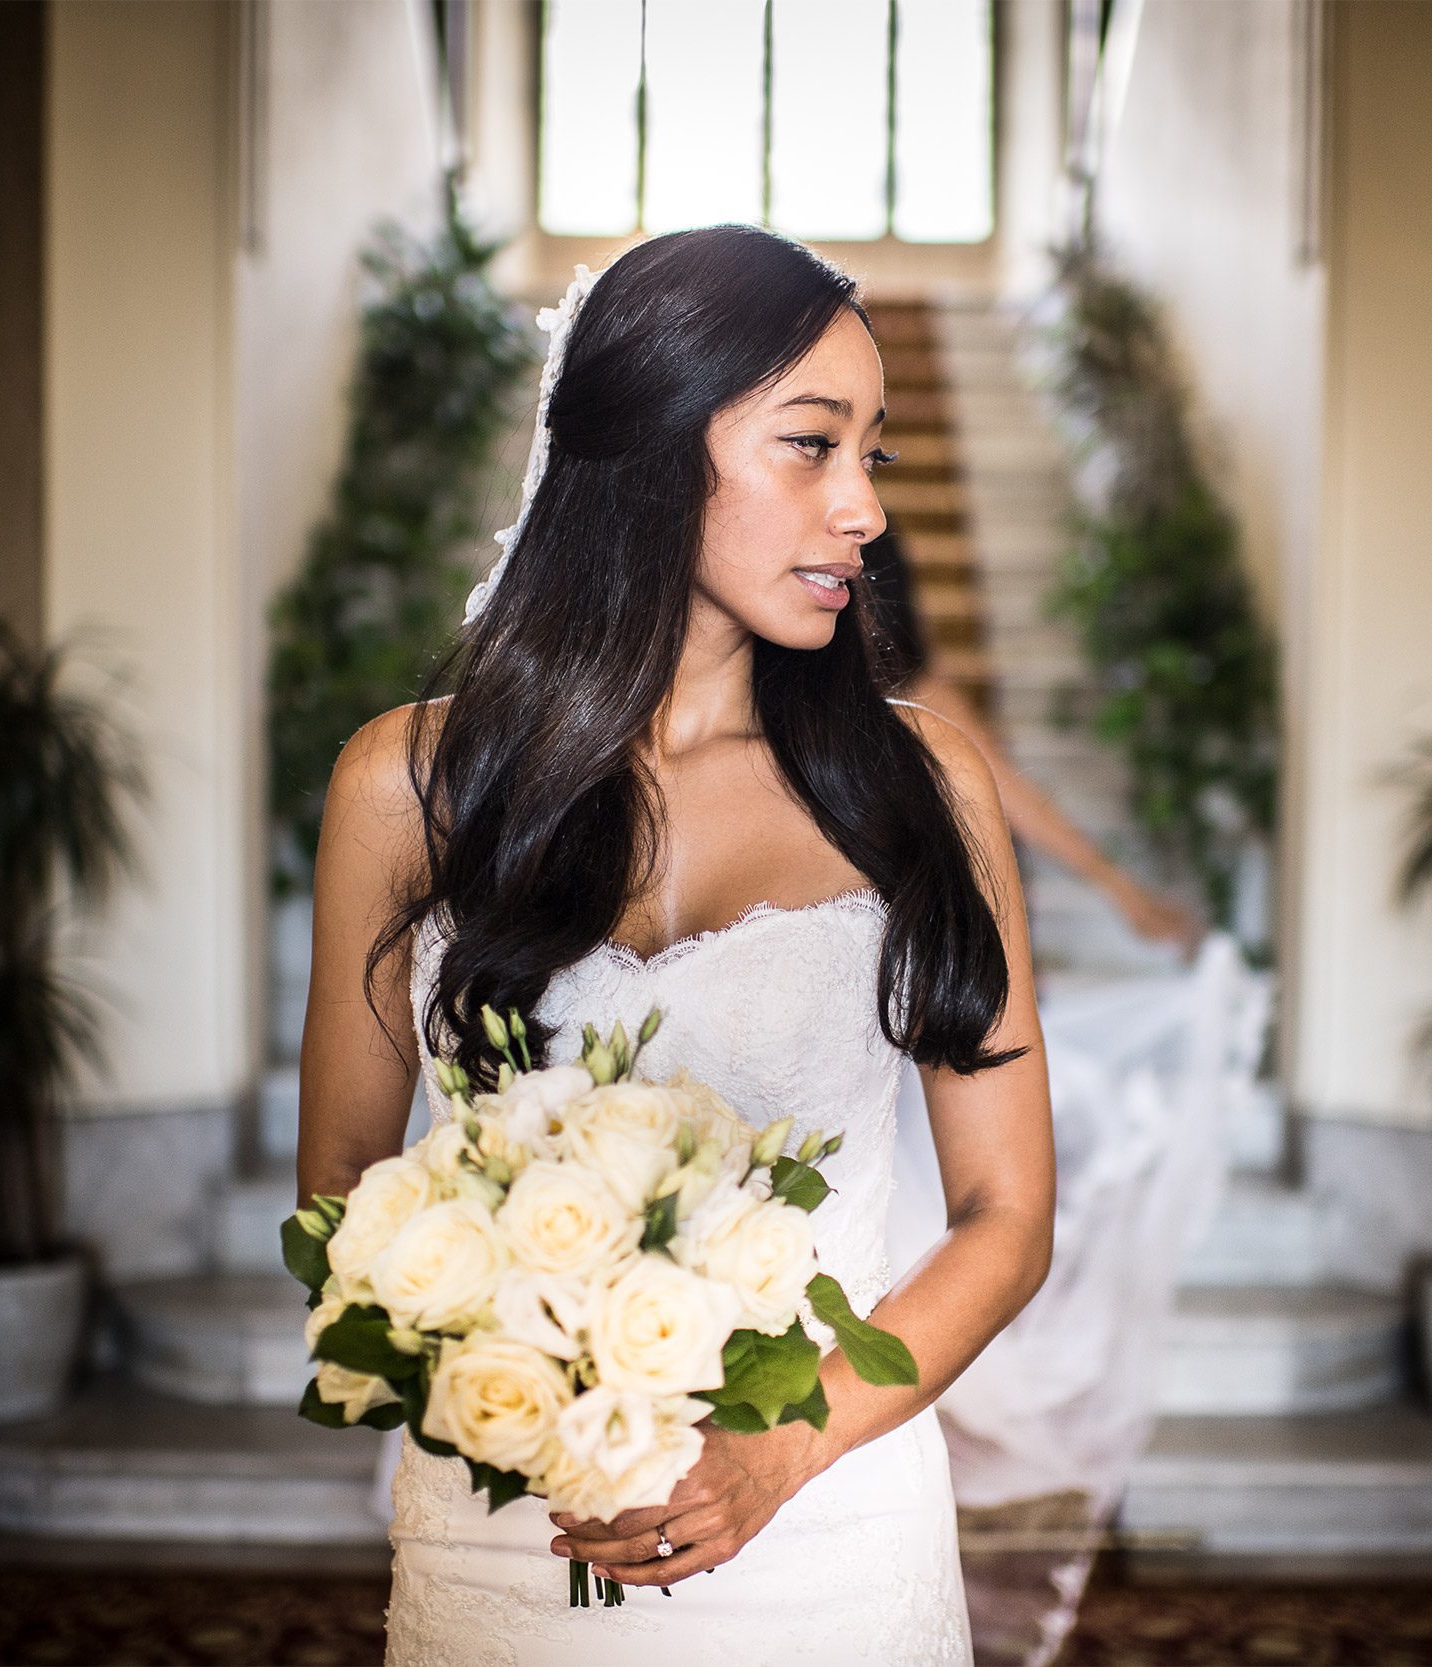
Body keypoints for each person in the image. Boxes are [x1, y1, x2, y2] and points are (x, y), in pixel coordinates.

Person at [297, 225, 1055, 1667]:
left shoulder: (925, 787)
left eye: (873, 455)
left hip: (830, 1530)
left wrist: (781, 1449)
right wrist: (532, 1377)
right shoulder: (404, 786)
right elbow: (338, 1193)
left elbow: (1008, 1214)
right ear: (652, 444)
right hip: (511, 1523)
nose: (865, 511)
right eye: (811, 446)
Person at [859, 530, 1207, 955]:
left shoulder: (877, 559)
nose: (858, 508)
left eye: (874, 462)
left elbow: (990, 770)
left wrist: (1120, 889)